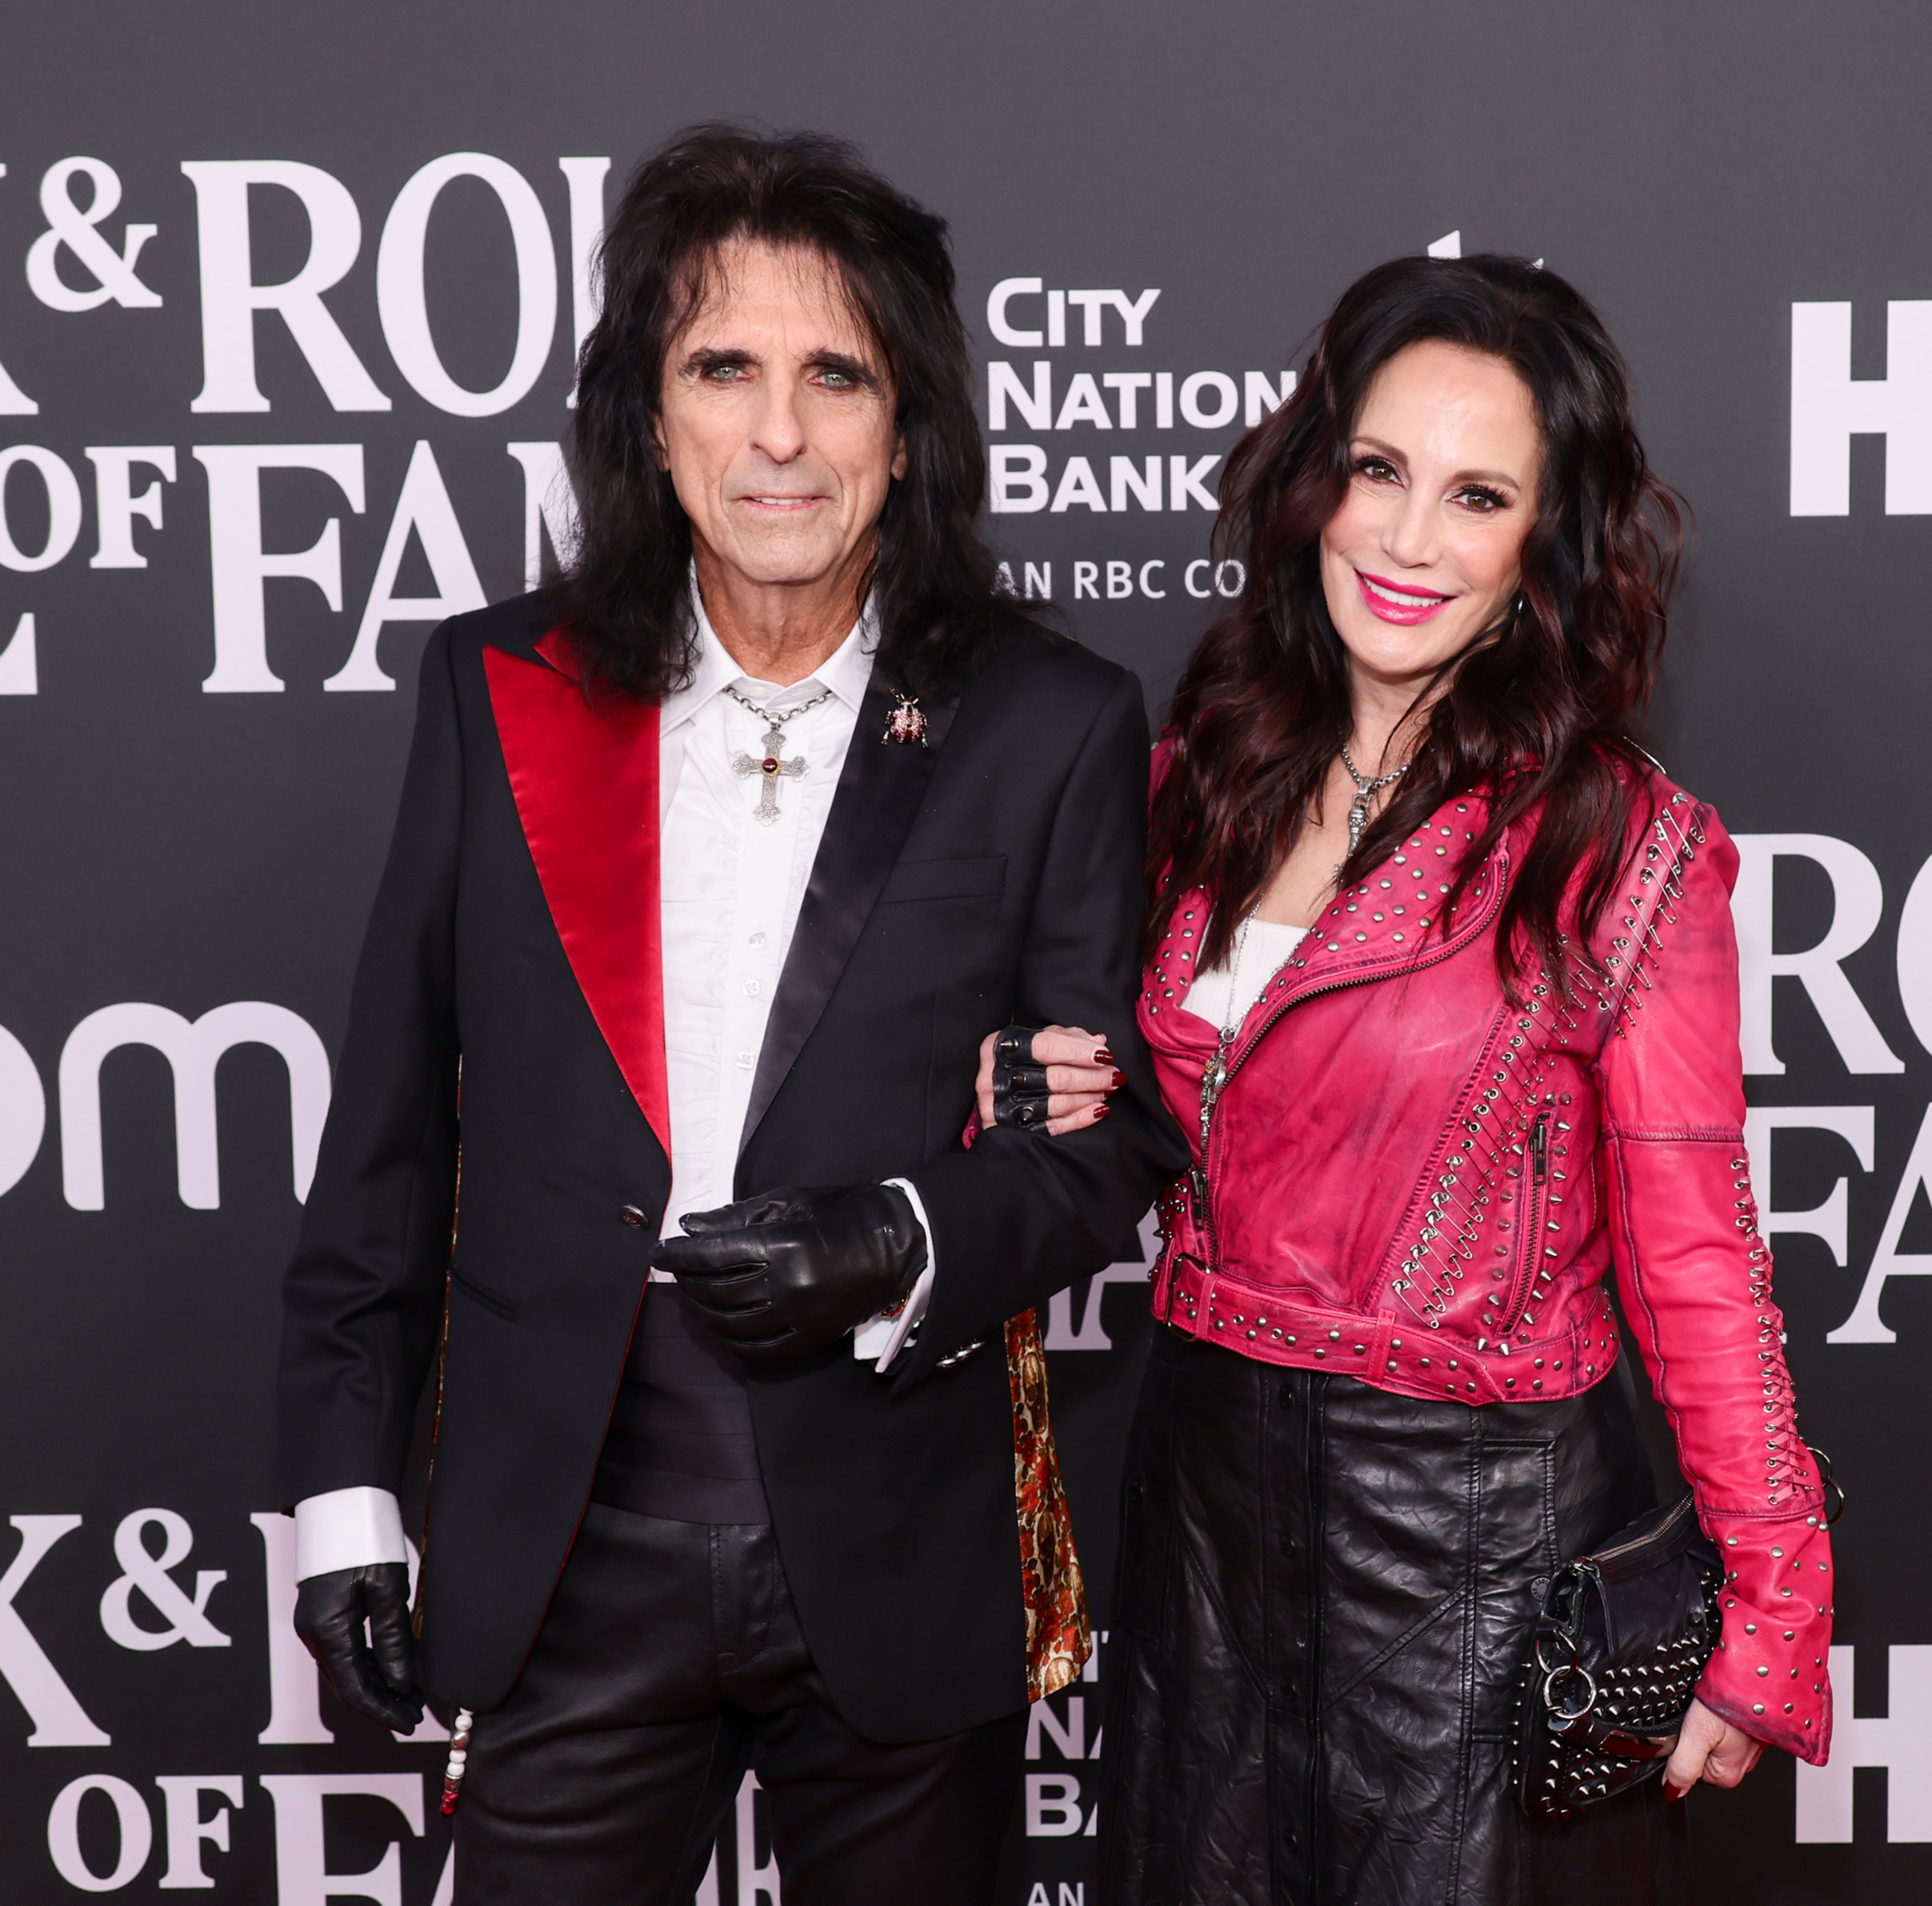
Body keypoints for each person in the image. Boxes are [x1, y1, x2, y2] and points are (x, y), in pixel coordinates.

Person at [273, 125, 1184, 1904]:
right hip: (564, 1552)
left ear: (907, 423)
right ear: (650, 415)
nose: (781, 434)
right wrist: (346, 1504)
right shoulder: (497, 690)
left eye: (836, 374)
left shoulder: (1048, 720)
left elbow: (1114, 1132)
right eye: (726, 368)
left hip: (903, 1548)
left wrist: (896, 1233)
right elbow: (383, 1144)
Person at [992, 254, 1836, 1904]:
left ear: (1545, 543)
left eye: (1477, 495)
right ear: (1316, 481)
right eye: (1378, 471)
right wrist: (1036, 1092)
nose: (1404, 538)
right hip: (1206, 1506)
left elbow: (1697, 1261)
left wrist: (1776, 1598)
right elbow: (1145, 1122)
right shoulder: (1189, 787)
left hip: (1480, 1554)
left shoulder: (1621, 850)